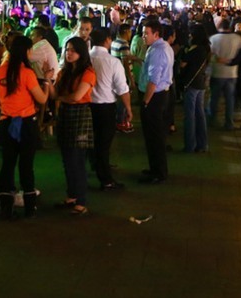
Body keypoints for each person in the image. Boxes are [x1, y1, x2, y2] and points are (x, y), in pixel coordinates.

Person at [0, 35, 52, 219]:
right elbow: (41, 99)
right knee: (26, 165)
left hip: (6, 123)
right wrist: (47, 82)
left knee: (7, 164)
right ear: (26, 52)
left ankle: (5, 206)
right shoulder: (27, 73)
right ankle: (29, 207)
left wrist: (8, 107)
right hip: (26, 124)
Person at [54, 36, 96, 215]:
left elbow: (77, 96)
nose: (69, 53)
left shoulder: (88, 72)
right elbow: (53, 93)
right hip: (65, 114)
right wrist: (48, 80)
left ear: (81, 52)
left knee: (76, 159)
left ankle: (81, 200)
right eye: (67, 50)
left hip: (79, 114)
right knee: (67, 158)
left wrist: (60, 98)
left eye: (73, 50)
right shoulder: (64, 72)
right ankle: (72, 195)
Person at [88, 27, 132, 190]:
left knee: (91, 140)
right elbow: (122, 89)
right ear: (107, 40)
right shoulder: (113, 62)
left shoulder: (86, 58)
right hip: (105, 107)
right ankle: (106, 179)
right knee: (103, 143)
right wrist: (128, 108)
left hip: (86, 105)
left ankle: (95, 165)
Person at [138, 19, 173, 184]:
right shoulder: (162, 47)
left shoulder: (158, 51)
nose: (143, 36)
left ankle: (158, 172)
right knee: (154, 135)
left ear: (156, 34)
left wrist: (145, 102)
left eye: (146, 33)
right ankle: (155, 168)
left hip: (154, 97)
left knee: (154, 136)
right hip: (159, 95)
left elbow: (154, 80)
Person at [179, 26, 212, 153]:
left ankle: (190, 145)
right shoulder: (206, 49)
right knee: (200, 114)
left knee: (190, 116)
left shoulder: (194, 50)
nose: (189, 37)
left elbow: (183, 64)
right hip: (201, 83)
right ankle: (203, 144)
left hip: (191, 84)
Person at [208, 20, 241, 130]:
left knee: (214, 98)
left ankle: (212, 120)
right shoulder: (237, 38)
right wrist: (231, 61)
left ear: (219, 27)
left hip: (217, 72)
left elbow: (209, 55)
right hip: (232, 73)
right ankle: (229, 122)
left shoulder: (213, 39)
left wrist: (218, 60)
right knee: (229, 99)